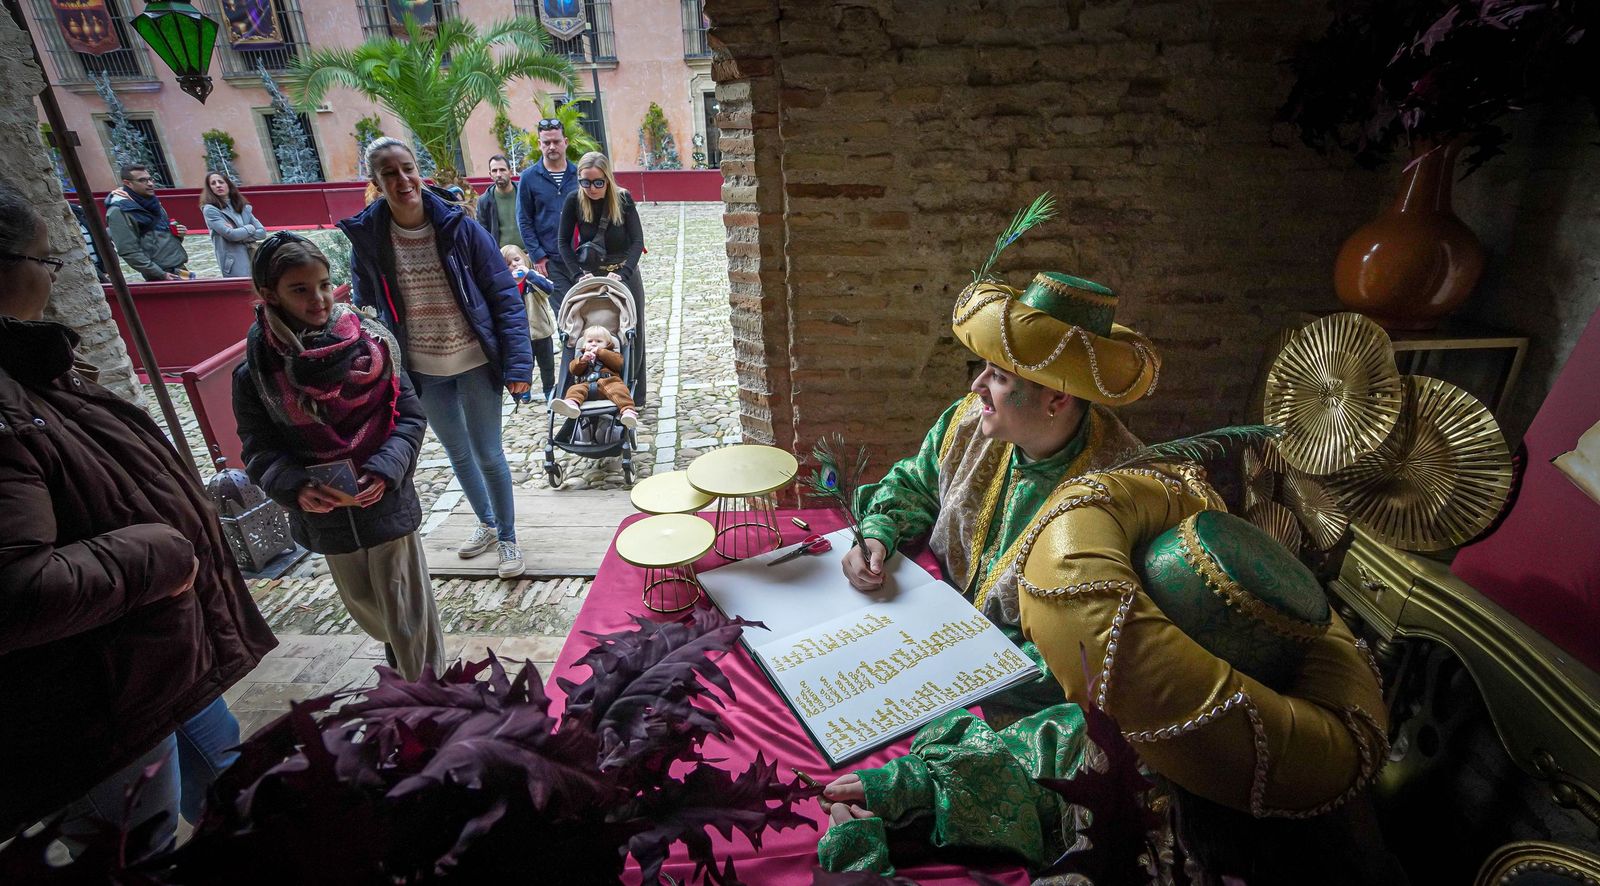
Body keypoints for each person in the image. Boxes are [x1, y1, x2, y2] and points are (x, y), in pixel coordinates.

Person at [0, 181, 275, 854]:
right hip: (91, 700)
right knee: (135, 850)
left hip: (152, 658)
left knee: (237, 791)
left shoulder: (27, 367)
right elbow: (15, 589)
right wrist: (165, 552)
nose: (55, 279)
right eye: (48, 262)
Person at [233, 232, 443, 679]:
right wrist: (296, 488)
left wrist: (386, 471)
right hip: (326, 516)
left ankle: (430, 698)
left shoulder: (374, 346)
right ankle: (406, 667)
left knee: (407, 612)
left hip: (385, 501)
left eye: (325, 284)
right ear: (269, 295)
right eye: (301, 289)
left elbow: (409, 417)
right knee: (372, 612)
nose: (319, 299)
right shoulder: (256, 375)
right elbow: (257, 447)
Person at [337, 137, 533, 579]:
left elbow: (503, 294)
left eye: (407, 168)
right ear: (376, 181)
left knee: (488, 453)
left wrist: (519, 366)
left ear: (418, 171)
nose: (402, 179)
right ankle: (484, 522)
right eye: (390, 172)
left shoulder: (458, 227)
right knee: (457, 453)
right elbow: (366, 312)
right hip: (422, 368)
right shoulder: (369, 238)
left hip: (474, 359)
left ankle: (507, 537)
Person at [558, 152, 647, 402]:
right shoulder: (574, 201)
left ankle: (633, 393)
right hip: (592, 276)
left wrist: (624, 272)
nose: (592, 188)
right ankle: (586, 386)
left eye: (598, 182)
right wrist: (578, 274)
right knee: (589, 329)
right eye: (585, 182)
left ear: (607, 179)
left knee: (631, 330)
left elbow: (637, 240)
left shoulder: (623, 199)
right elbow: (563, 242)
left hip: (623, 273)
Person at [515, 119, 579, 313]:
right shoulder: (528, 178)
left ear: (565, 142)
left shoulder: (580, 174)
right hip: (551, 261)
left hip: (581, 257)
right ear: (539, 145)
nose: (552, 147)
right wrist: (538, 256)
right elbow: (524, 219)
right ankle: (570, 344)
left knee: (588, 310)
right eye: (546, 143)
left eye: (556, 141)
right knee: (565, 315)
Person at [105, 163, 191, 281]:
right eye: (142, 180)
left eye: (150, 179)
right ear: (127, 183)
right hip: (161, 275)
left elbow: (162, 238)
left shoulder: (153, 203)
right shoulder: (119, 211)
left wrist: (178, 234)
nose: (150, 184)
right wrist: (160, 274)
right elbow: (129, 251)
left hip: (179, 268)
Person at [501, 243, 559, 402]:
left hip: (541, 331)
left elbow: (549, 289)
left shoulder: (533, 278)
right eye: (508, 264)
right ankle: (525, 390)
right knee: (526, 365)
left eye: (517, 259)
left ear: (525, 259)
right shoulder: (506, 284)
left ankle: (549, 389)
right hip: (521, 336)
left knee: (547, 364)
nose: (514, 264)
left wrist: (529, 275)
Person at [553, 324, 638, 428]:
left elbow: (618, 364)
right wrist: (582, 360)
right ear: (584, 344)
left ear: (608, 343)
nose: (593, 344)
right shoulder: (582, 356)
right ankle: (571, 404)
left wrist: (601, 352)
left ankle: (628, 411)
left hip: (609, 382)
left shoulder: (611, 354)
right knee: (574, 389)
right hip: (587, 385)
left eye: (598, 341)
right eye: (590, 341)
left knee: (620, 390)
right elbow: (573, 370)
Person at [199, 170, 267, 279]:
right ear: (209, 188)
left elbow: (262, 232)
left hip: (252, 256)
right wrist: (250, 228)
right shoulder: (211, 210)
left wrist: (239, 233)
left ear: (228, 184)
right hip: (233, 262)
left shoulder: (242, 206)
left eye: (221, 182)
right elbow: (231, 235)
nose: (218, 185)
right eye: (213, 183)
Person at [476, 154, 526, 251]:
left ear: (510, 172)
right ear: (490, 174)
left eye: (502, 170)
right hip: (501, 256)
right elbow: (483, 233)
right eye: (494, 171)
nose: (498, 174)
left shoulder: (524, 193)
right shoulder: (484, 201)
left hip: (529, 253)